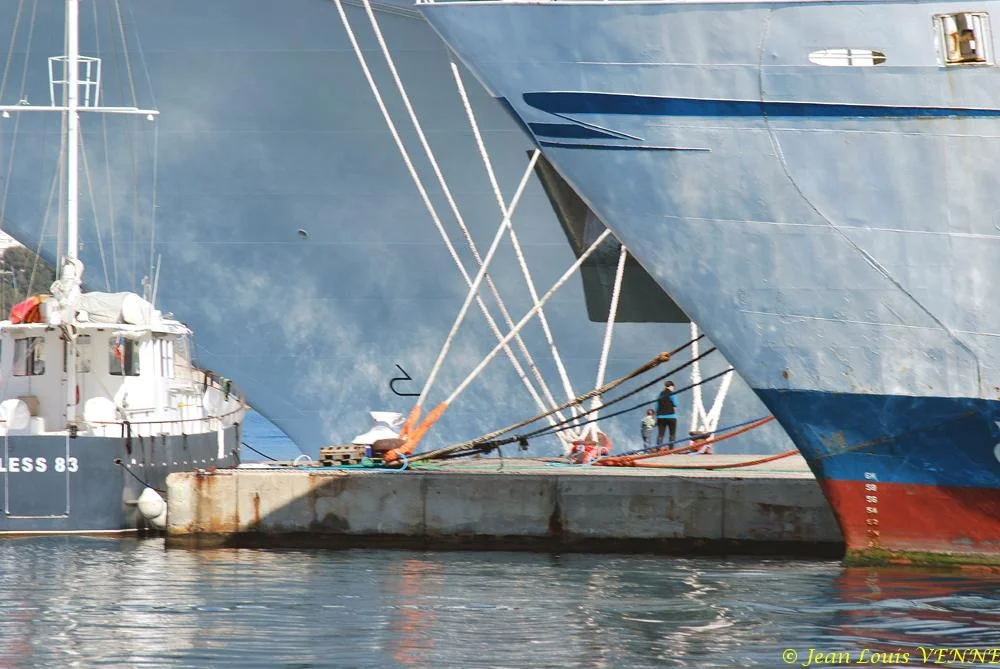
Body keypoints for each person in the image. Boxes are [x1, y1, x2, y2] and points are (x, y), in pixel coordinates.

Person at [656, 380, 677, 446]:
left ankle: (658, 448)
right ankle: (671, 449)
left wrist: (657, 417)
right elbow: (676, 404)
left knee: (660, 434)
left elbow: (657, 407)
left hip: (660, 417)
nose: (673, 388)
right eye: (673, 387)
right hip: (671, 416)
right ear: (670, 386)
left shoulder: (660, 394)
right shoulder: (672, 394)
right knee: (672, 434)